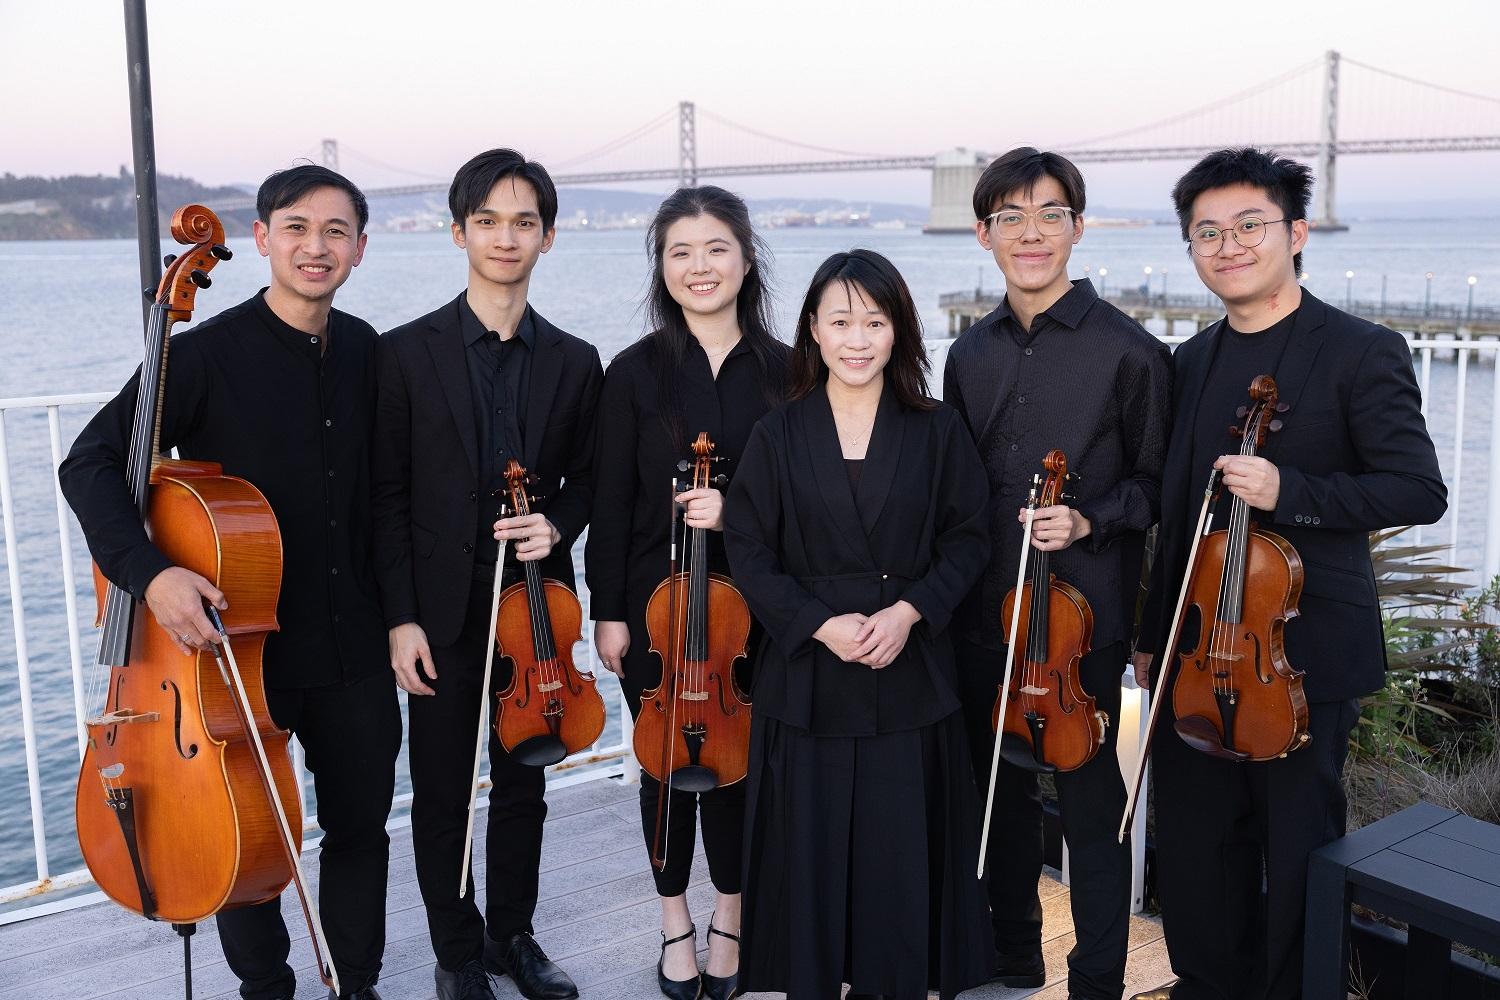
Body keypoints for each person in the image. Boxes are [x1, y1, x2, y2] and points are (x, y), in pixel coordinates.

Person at [60, 165, 399, 1000]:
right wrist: (149, 574)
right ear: (260, 239)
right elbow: (91, 464)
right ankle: (267, 990)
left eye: (333, 232)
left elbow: (386, 497)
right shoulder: (201, 355)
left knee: (360, 829)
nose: (314, 247)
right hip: (238, 654)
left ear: (359, 248)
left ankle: (357, 983)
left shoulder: (367, 350)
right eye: (295, 228)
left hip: (353, 641)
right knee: (251, 838)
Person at [1129, 147, 1446, 1000]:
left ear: (1295, 232)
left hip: (1301, 657)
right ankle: (1204, 985)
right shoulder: (1187, 361)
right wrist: (1151, 638)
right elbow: (1176, 517)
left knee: (1299, 847)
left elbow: (1418, 489)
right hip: (1197, 654)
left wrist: (1288, 488)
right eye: (1207, 232)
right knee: (1195, 846)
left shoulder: (1360, 350)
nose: (1227, 245)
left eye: (1248, 226)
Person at [725, 249, 992, 1000]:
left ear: (900, 330)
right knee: (809, 854)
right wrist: (816, 624)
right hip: (809, 673)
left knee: (898, 855)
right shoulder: (777, 434)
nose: (856, 339)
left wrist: (910, 612)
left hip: (907, 668)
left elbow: (970, 536)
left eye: (874, 322)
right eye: (839, 321)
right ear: (812, 329)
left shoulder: (936, 430)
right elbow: (747, 547)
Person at [371, 149, 602, 1000]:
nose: (507, 238)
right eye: (489, 221)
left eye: (525, 222)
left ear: (547, 236)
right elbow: (385, 498)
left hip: (537, 608)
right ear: (459, 229)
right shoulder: (403, 355)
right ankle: (456, 953)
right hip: (439, 609)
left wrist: (558, 523)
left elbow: (591, 481)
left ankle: (514, 936)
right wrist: (400, 619)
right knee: (440, 792)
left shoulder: (576, 361)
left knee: (524, 782)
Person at [944, 147, 1171, 1000]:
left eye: (1048, 215)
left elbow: (1156, 489)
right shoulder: (967, 355)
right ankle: (1012, 955)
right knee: (996, 800)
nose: (1029, 233)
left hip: (1083, 624)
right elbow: (957, 486)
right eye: (1010, 217)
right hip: (983, 616)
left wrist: (1088, 516)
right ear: (983, 233)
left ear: (1077, 226)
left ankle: (1099, 979)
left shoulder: (1132, 353)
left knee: (1087, 813)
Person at [586, 185, 788, 1000]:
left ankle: (731, 918)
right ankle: (674, 923)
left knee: (741, 768)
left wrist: (734, 511)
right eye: (680, 252)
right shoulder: (632, 374)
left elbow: (806, 499)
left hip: (758, 609)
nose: (699, 267)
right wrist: (606, 610)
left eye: (715, 250)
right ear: (661, 267)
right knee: (663, 766)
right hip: (655, 611)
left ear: (746, 259)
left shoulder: (787, 371)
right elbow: (610, 502)